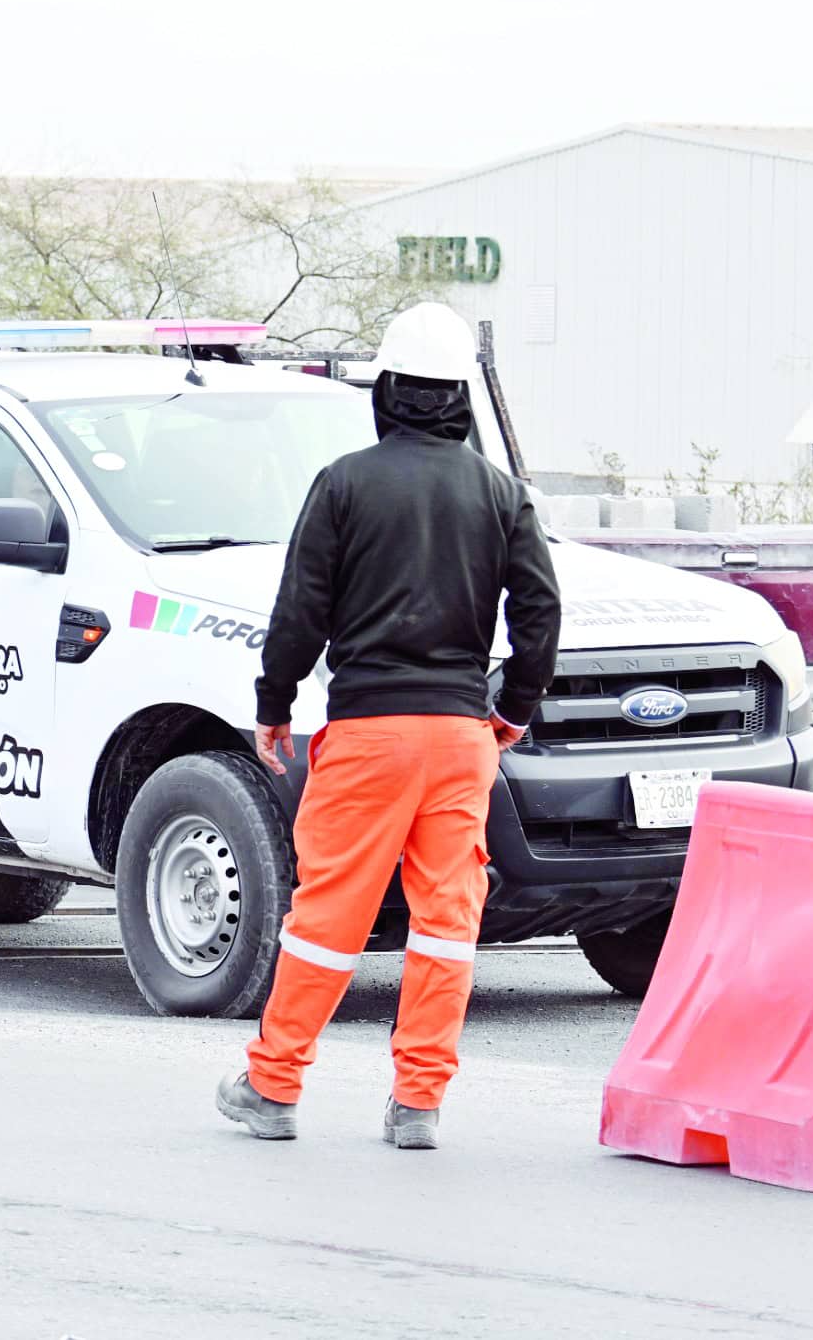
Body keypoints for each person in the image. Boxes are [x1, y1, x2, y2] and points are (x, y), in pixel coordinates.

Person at [216, 302, 561, 1150]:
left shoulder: (343, 483)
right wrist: (509, 710)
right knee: (446, 923)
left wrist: (274, 702)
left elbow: (299, 610)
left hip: (368, 733)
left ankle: (274, 1085)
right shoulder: (500, 493)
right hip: (459, 741)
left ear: (389, 391)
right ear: (459, 400)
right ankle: (418, 1106)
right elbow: (542, 616)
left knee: (330, 915)